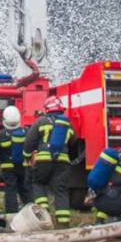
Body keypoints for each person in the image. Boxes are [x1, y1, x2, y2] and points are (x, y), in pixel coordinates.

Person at [24, 95, 76, 226]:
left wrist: (27, 155)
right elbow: (73, 142)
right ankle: (63, 223)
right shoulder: (68, 123)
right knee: (61, 190)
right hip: (62, 161)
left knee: (38, 183)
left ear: (47, 108)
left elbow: (30, 141)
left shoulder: (40, 121)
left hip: (43, 160)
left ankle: (44, 214)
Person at [0, 105, 29, 214]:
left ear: (4, 120)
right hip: (23, 167)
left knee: (10, 190)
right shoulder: (26, 132)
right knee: (24, 189)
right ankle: (31, 210)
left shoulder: (0, 135)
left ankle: (11, 213)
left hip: (8, 169)